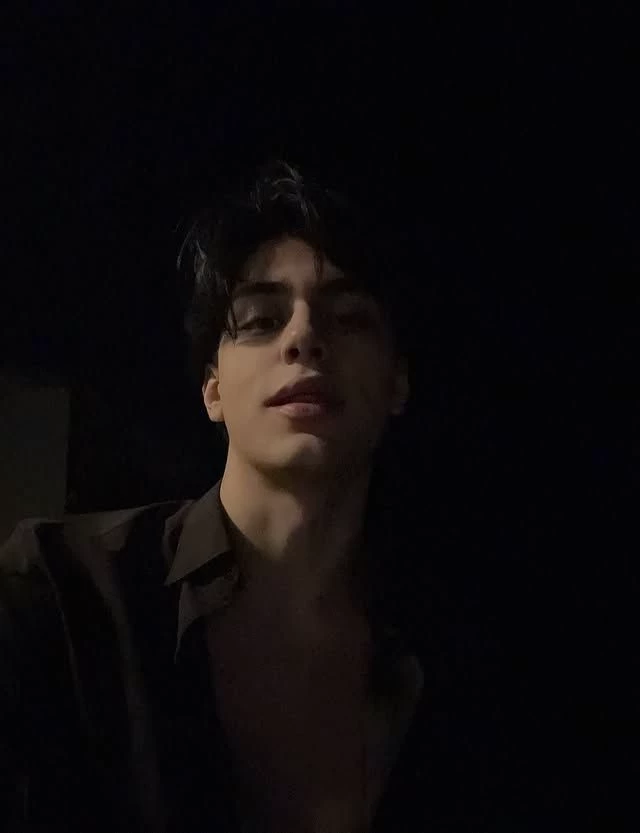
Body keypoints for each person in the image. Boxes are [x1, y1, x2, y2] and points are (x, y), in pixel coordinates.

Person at [0, 161, 506, 833]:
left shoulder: (467, 644)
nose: (304, 337)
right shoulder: (60, 591)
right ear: (212, 388)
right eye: (262, 319)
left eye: (349, 317)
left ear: (397, 383)